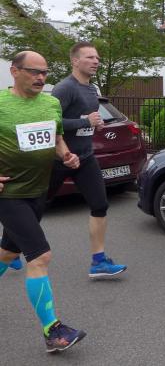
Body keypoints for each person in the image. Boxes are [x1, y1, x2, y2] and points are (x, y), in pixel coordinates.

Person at [0, 51, 87, 352]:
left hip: (39, 191)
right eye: (34, 71)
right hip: (9, 195)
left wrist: (66, 155)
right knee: (40, 257)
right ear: (15, 71)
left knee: (8, 254)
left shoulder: (51, 103)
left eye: (45, 72)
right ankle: (53, 330)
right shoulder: (1, 104)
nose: (41, 77)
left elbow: (57, 138)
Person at [47, 42, 127, 279]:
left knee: (100, 205)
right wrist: (85, 122)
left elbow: (87, 119)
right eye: (90, 57)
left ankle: (98, 262)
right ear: (75, 61)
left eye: (97, 58)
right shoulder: (64, 88)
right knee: (35, 206)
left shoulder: (92, 89)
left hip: (85, 157)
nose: (96, 61)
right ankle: (9, 246)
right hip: (59, 158)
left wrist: (96, 124)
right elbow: (51, 123)